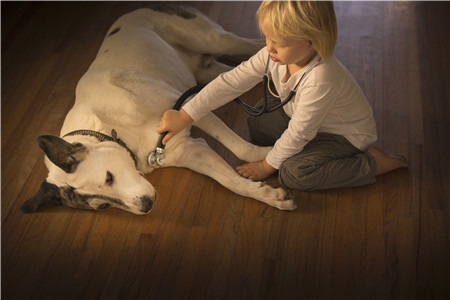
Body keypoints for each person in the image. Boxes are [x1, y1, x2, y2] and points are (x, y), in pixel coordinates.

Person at [156, 1, 408, 191]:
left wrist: (267, 166)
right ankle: (294, 152)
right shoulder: (272, 54)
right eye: (267, 37)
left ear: (312, 41)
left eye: (280, 43)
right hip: (305, 119)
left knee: (293, 174)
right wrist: (185, 115)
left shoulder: (321, 78)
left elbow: (300, 132)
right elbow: (230, 82)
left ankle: (373, 164)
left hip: (343, 135)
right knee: (257, 123)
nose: (269, 47)